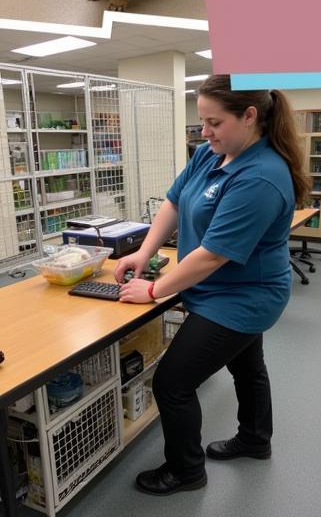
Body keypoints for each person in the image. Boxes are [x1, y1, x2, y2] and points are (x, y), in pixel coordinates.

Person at [114, 76, 308, 495]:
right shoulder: (210, 154)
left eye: (214, 122)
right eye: (202, 121)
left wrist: (153, 289)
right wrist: (143, 254)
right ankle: (255, 440)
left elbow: (214, 254)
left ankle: (186, 471)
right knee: (246, 365)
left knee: (172, 382)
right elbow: (174, 201)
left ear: (250, 116)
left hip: (244, 296)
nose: (204, 132)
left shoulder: (261, 175)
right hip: (215, 287)